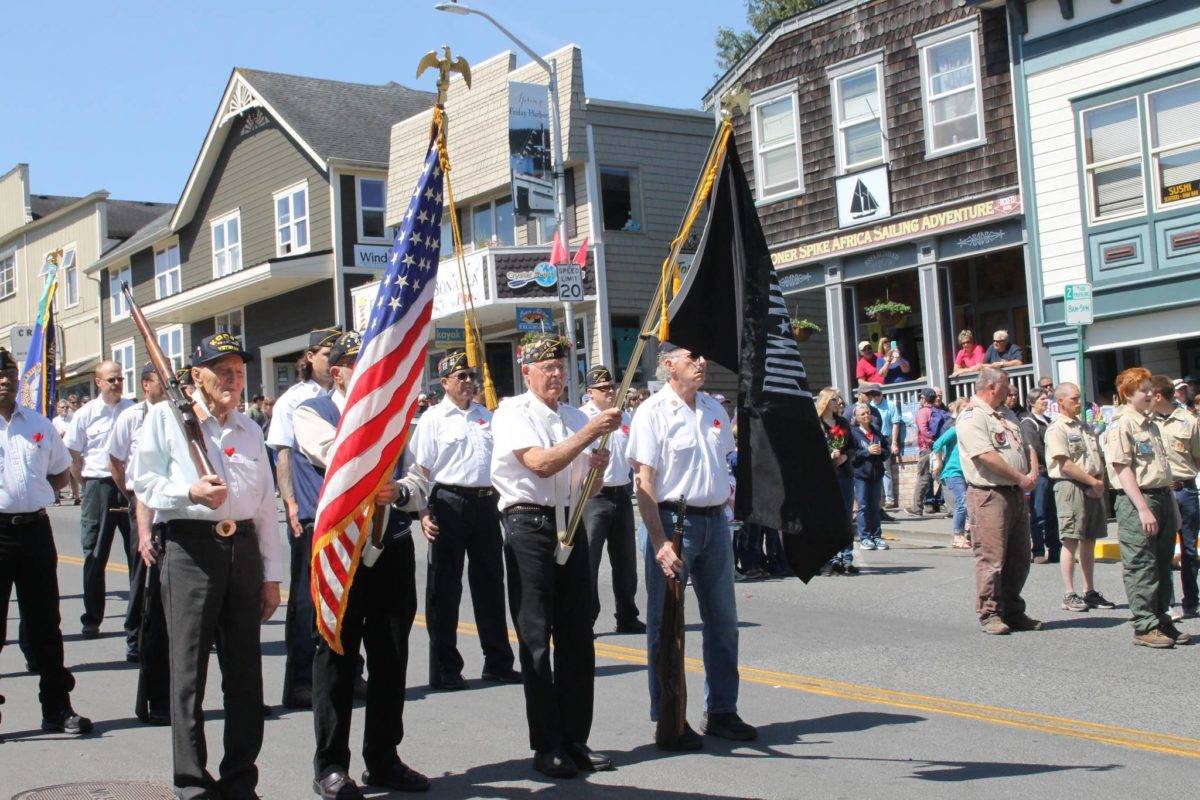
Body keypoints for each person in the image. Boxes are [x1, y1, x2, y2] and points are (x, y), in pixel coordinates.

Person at [134, 333, 285, 799]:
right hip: (190, 550)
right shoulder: (166, 419)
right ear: (196, 374)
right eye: (222, 371)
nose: (233, 380)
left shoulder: (250, 428)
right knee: (188, 673)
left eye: (239, 371)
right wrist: (189, 493)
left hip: (240, 552)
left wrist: (272, 575)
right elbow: (144, 483)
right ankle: (192, 781)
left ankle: (241, 777)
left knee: (245, 674)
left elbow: (263, 505)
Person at [294, 332, 431, 798]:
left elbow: (419, 475)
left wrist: (405, 491)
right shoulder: (311, 410)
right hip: (342, 551)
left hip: (390, 543)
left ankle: (384, 757)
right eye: (364, 362)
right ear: (338, 371)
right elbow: (335, 456)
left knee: (392, 656)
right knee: (336, 657)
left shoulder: (398, 415)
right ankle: (331, 764)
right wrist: (381, 459)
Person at [490, 333, 620, 778]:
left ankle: (574, 738)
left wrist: (597, 469)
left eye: (562, 368)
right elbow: (541, 463)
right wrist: (590, 431)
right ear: (526, 371)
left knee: (577, 634)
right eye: (547, 368)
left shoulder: (571, 416)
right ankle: (546, 744)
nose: (556, 375)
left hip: (570, 520)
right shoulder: (512, 412)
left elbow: (587, 484)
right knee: (535, 635)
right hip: (529, 523)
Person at [628, 342, 755, 751]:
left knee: (723, 620)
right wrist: (660, 540)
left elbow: (726, 464)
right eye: (691, 357)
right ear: (668, 365)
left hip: (715, 521)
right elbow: (644, 483)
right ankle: (668, 714)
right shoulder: (652, 412)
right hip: (671, 521)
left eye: (703, 356)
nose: (701, 363)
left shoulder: (715, 409)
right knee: (666, 625)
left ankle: (722, 710)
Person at [412, 350, 519, 690]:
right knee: (445, 588)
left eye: (471, 376)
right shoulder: (433, 419)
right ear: (444, 383)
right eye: (461, 377)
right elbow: (419, 471)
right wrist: (423, 512)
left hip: (486, 503)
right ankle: (445, 667)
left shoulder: (485, 415)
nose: (469, 382)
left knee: (490, 583)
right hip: (448, 503)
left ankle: (498, 661)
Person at [0, 347, 92, 736]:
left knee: (46, 625)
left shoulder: (37, 423)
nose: (5, 379)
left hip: (35, 531)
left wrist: (35, 494)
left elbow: (59, 473)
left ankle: (57, 708)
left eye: (9, 372)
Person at [267, 327, 339, 709]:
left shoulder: (347, 396)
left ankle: (345, 673)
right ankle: (299, 681)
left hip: (344, 510)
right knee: (305, 601)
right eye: (329, 354)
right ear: (310, 357)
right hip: (311, 511)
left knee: (342, 597)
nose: (334, 361)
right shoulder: (294, 400)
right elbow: (282, 455)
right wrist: (290, 505)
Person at [1103, 368, 1188, 647]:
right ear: (1127, 394)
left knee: (1163, 563)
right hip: (1138, 500)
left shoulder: (1151, 424)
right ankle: (1144, 625)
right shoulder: (1122, 424)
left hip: (1162, 496)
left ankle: (1161, 617)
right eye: (1144, 390)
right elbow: (1122, 468)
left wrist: (1173, 508)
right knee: (1142, 564)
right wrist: (1142, 508)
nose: (1151, 394)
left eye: (1151, 389)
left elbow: (1162, 471)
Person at [956, 366, 1042, 635]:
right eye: (1006, 384)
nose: (1011, 389)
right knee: (991, 558)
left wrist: (1032, 470)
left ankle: (1013, 610)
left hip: (1015, 493)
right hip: (990, 494)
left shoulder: (1006, 414)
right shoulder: (972, 415)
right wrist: (1020, 477)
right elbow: (985, 455)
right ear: (992, 387)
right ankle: (990, 612)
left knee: (1020, 556)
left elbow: (1024, 446)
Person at [107, 363, 170, 723]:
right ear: (147, 384)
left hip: (175, 511)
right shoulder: (133, 417)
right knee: (143, 582)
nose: (168, 383)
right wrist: (129, 494)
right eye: (162, 378)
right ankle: (136, 638)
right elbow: (117, 461)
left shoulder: (177, 411)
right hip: (143, 505)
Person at [64, 360, 134, 639]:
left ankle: (139, 616)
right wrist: (86, 484)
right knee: (95, 554)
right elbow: (73, 454)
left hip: (129, 486)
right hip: (98, 486)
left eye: (119, 379)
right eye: (111, 380)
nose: (116, 384)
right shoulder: (85, 414)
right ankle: (92, 618)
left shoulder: (133, 410)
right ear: (98, 382)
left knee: (139, 553)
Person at [579, 365, 645, 633]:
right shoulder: (582, 418)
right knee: (589, 561)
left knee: (626, 561)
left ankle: (627, 614)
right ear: (590, 392)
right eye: (603, 389)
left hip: (621, 493)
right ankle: (587, 618)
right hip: (594, 496)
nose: (609, 392)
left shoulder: (624, 418)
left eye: (612, 388)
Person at [1044, 382, 1115, 613]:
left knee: (1089, 538)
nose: (1078, 402)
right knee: (1071, 538)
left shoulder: (1084, 427)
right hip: (1071, 486)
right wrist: (1093, 482)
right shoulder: (1058, 429)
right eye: (1073, 399)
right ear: (1061, 401)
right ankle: (1069, 593)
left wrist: (1098, 481)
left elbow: (1096, 457)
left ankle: (1089, 591)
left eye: (1079, 398)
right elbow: (1065, 464)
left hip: (1092, 485)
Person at [1149, 374, 1200, 620]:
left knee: (1189, 549)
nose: (1147, 397)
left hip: (1186, 489)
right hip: (1162, 491)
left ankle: (1191, 600)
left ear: (1159, 396)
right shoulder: (1147, 423)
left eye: (1150, 393)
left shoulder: (1188, 421)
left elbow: (1198, 457)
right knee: (1163, 549)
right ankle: (1166, 603)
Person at [818, 389, 858, 576]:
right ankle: (831, 558)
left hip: (843, 473)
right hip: (825, 476)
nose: (838, 403)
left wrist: (844, 456)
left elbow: (852, 446)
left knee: (845, 516)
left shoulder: (842, 422)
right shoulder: (816, 423)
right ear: (825, 401)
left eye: (839, 400)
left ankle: (847, 557)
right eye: (834, 399)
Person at [1020, 389, 1061, 564]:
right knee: (1039, 512)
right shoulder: (1029, 422)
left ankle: (1055, 549)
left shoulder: (1049, 421)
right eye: (1042, 399)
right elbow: (1034, 447)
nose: (1046, 401)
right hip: (1042, 472)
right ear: (1032, 402)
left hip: (1053, 473)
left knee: (1053, 513)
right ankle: (1037, 550)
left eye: (1047, 399)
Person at [850, 402, 889, 552]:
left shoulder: (876, 432)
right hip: (861, 475)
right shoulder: (853, 433)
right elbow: (852, 455)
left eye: (868, 413)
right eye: (863, 414)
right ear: (856, 418)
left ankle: (876, 536)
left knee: (875, 506)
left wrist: (881, 452)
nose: (867, 416)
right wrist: (867, 452)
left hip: (876, 474)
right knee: (863, 506)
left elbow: (886, 450)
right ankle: (865, 537)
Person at [932, 399, 969, 549]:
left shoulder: (970, 429)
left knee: (971, 503)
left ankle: (969, 532)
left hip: (968, 472)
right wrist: (939, 462)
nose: (968, 411)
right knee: (963, 501)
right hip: (953, 471)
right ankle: (957, 535)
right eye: (965, 408)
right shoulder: (955, 429)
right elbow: (937, 444)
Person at [867, 385, 902, 513]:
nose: (875, 397)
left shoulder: (890, 405)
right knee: (872, 470)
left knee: (885, 470)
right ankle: (878, 499)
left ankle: (889, 499)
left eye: (877, 394)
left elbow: (895, 424)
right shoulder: (869, 406)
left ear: (882, 394)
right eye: (873, 394)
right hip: (871, 439)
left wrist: (894, 443)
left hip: (885, 439)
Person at [908, 389, 940, 517]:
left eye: (921, 397)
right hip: (938, 446)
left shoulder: (923, 412)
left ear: (924, 398)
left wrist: (930, 441)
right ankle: (955, 506)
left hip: (927, 448)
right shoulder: (936, 410)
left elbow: (923, 429)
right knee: (943, 476)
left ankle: (916, 508)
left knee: (923, 477)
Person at [51, 399, 79, 505]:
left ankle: (77, 497)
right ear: (57, 409)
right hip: (59, 449)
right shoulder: (55, 421)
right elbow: (54, 435)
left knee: (73, 473)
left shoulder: (72, 419)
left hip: (70, 449)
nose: (65, 409)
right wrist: (61, 434)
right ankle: (56, 498)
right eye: (62, 407)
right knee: (58, 472)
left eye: (66, 407)